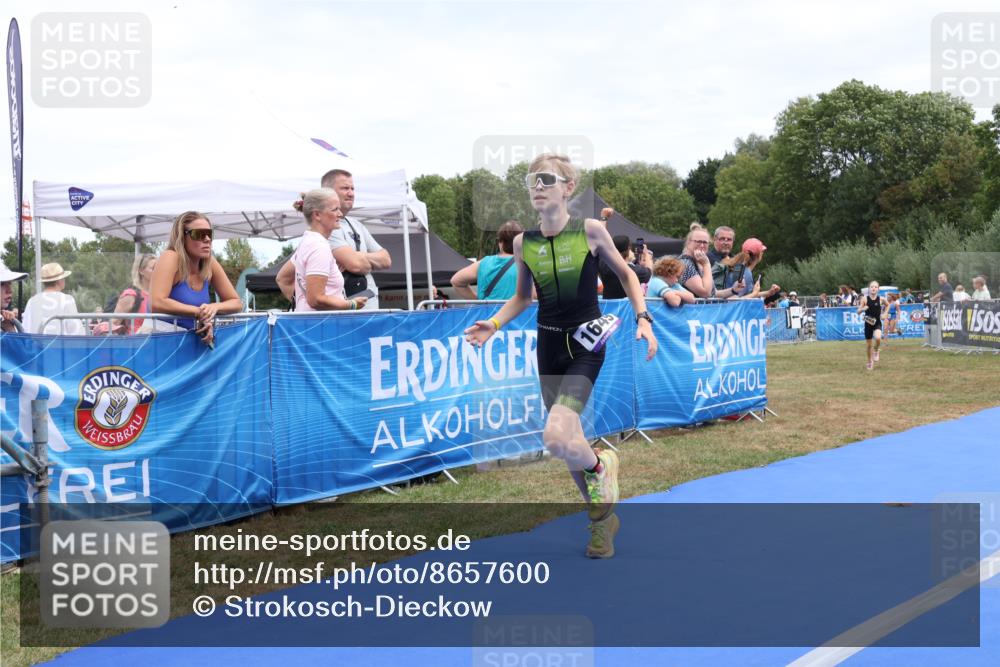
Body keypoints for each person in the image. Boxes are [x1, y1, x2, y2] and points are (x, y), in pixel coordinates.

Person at [464, 153, 658, 559]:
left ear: (568, 188)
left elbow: (627, 275)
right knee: (568, 438)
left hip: (586, 345)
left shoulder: (590, 231)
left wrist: (643, 318)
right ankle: (602, 522)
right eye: (531, 180)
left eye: (547, 179)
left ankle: (601, 466)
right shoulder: (523, 242)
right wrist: (494, 325)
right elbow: (521, 297)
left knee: (555, 436)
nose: (537, 186)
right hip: (548, 346)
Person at [150, 211, 243, 346]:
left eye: (209, 234)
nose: (207, 239)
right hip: (161, 344)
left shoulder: (210, 263)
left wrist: (214, 307)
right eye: (199, 234)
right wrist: (199, 312)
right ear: (182, 237)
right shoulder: (170, 257)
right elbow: (157, 303)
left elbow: (236, 303)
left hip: (189, 345)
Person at [276, 188, 368, 312]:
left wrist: (300, 301)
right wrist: (351, 304)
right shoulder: (318, 247)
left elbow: (282, 278)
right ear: (317, 215)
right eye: (335, 209)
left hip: (313, 323)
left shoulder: (308, 241)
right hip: (322, 325)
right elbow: (315, 299)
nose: (340, 214)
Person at [321, 169, 392, 310]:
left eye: (352, 188)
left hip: (369, 308)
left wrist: (360, 256)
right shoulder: (326, 226)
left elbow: (387, 259)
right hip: (347, 312)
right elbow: (356, 265)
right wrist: (362, 260)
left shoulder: (356, 224)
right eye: (345, 188)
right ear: (329, 192)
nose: (351, 193)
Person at [450, 221, 524, 300]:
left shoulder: (484, 263)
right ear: (521, 242)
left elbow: (456, 281)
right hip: (518, 311)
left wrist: (478, 300)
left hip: (487, 311)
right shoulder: (526, 264)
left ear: (501, 242)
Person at [22, 263, 84, 335]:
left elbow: (25, 329)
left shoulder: (32, 301)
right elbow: (75, 330)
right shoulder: (67, 299)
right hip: (59, 345)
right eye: (63, 278)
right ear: (59, 280)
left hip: (36, 345)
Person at [105, 253, 157, 334]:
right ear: (141, 271)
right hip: (135, 344)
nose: (158, 271)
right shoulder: (130, 295)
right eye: (153, 268)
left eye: (159, 268)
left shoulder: (158, 295)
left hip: (155, 343)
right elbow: (113, 324)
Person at [598, 234, 652, 299]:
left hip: (608, 306)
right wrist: (646, 255)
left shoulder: (603, 264)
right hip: (626, 307)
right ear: (628, 249)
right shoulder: (631, 270)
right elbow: (649, 272)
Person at [857, 280, 887, 370]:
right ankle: (870, 361)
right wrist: (862, 309)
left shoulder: (881, 299)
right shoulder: (865, 299)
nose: (873, 288)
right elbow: (858, 311)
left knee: (878, 338)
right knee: (869, 345)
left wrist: (885, 313)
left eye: (875, 287)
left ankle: (876, 350)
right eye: (872, 287)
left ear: (878, 289)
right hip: (868, 323)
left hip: (877, 322)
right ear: (869, 289)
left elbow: (888, 305)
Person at [1, 261, 28, 333]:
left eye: (9, 283)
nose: (9, 290)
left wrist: (9, 328)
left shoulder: (5, 321)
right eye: (2, 284)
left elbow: (21, 344)